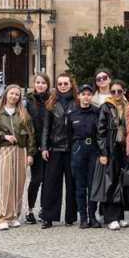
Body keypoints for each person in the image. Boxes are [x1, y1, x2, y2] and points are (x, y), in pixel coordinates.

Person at [0, 84, 36, 230]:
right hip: (5, 150)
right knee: (6, 184)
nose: (14, 96)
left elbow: (31, 135)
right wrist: (4, 136)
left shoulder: (23, 114)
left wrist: (31, 153)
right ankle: (2, 218)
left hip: (21, 150)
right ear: (6, 94)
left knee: (19, 184)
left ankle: (14, 216)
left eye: (17, 94)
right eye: (11, 93)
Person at [40, 73, 78, 229]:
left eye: (65, 83)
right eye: (60, 83)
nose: (63, 86)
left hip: (72, 148)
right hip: (55, 148)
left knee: (72, 183)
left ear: (71, 84)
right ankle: (48, 217)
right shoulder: (52, 102)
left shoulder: (77, 102)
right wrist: (44, 147)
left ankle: (70, 217)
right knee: (51, 184)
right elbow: (46, 127)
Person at [95, 79, 129, 229]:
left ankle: (120, 215)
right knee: (110, 183)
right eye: (113, 91)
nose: (116, 94)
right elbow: (100, 131)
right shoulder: (105, 107)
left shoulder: (127, 106)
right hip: (110, 148)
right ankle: (111, 218)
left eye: (119, 91)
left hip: (123, 148)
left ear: (124, 91)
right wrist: (103, 152)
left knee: (122, 181)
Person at [68, 84, 101, 229]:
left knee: (93, 185)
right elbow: (69, 136)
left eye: (89, 94)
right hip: (78, 149)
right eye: (83, 94)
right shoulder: (72, 114)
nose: (86, 97)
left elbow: (101, 132)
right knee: (80, 186)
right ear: (79, 96)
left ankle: (93, 216)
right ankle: (83, 217)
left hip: (93, 149)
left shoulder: (97, 112)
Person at [23, 73, 50, 224]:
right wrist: (30, 150)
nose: (40, 85)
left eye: (43, 83)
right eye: (38, 82)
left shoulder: (52, 99)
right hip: (34, 144)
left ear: (47, 85)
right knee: (36, 179)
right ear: (34, 84)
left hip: (48, 145)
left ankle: (44, 209)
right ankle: (30, 210)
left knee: (47, 180)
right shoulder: (27, 101)